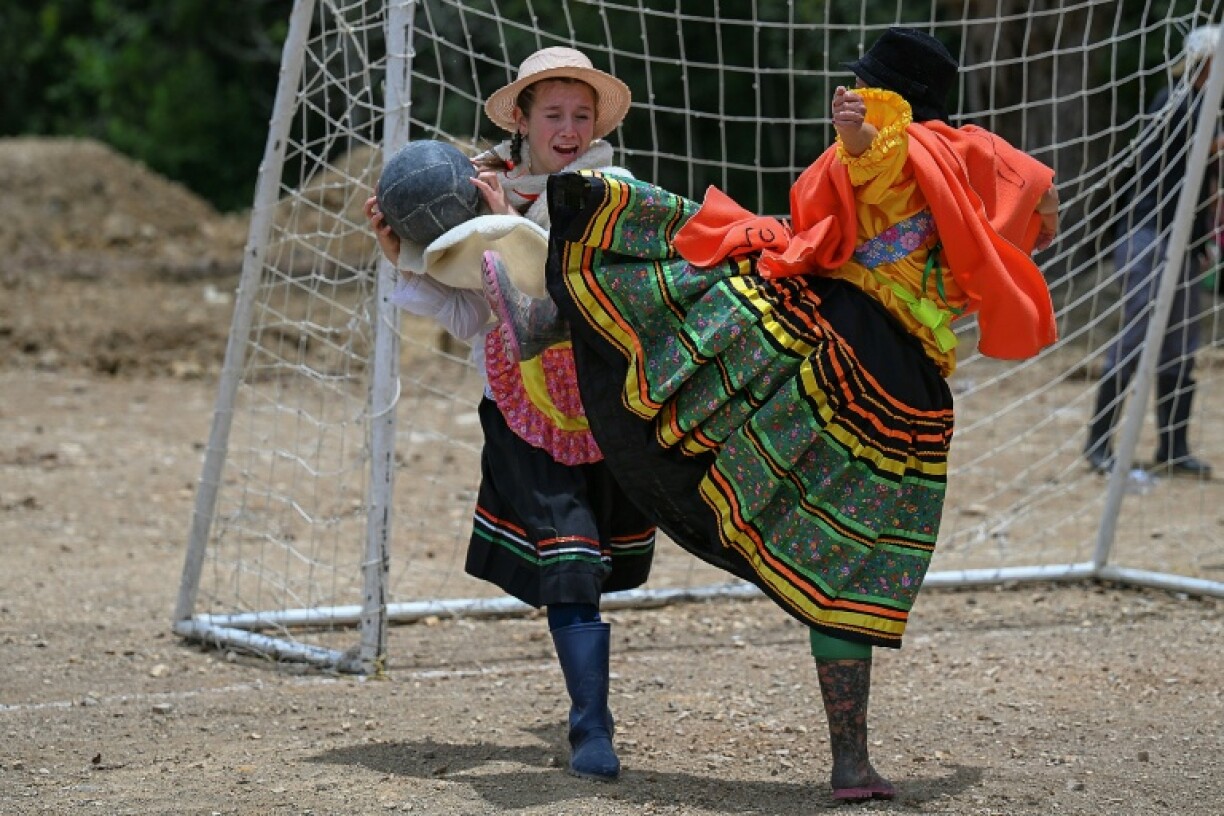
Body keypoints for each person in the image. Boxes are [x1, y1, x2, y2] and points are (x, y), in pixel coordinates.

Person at [493, 27, 1058, 802]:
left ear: (887, 96)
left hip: (843, 345)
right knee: (853, 558)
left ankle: (586, 322)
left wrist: (855, 128)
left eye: (863, 86)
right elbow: (1035, 210)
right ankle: (849, 763)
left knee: (700, 340)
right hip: (916, 391)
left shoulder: (900, 148)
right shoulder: (980, 165)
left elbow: (872, 152)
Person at [365, 46, 655, 782]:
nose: (568, 127)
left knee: (595, 559)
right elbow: (469, 317)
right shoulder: (481, 195)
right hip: (520, 417)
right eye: (552, 113)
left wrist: (504, 228)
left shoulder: (611, 190)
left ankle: (587, 716)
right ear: (520, 122)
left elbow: (578, 283)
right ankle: (593, 728)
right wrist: (403, 252)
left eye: (580, 115)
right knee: (571, 557)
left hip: (606, 412)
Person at [1083, 24, 1220, 478]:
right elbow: (1183, 164)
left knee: (1182, 344)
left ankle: (1173, 448)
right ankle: (1098, 446)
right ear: (1207, 63)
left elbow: (1203, 187)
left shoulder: (1210, 109)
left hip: (1183, 243)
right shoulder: (1176, 101)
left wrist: (1202, 241)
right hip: (1149, 236)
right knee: (1139, 335)